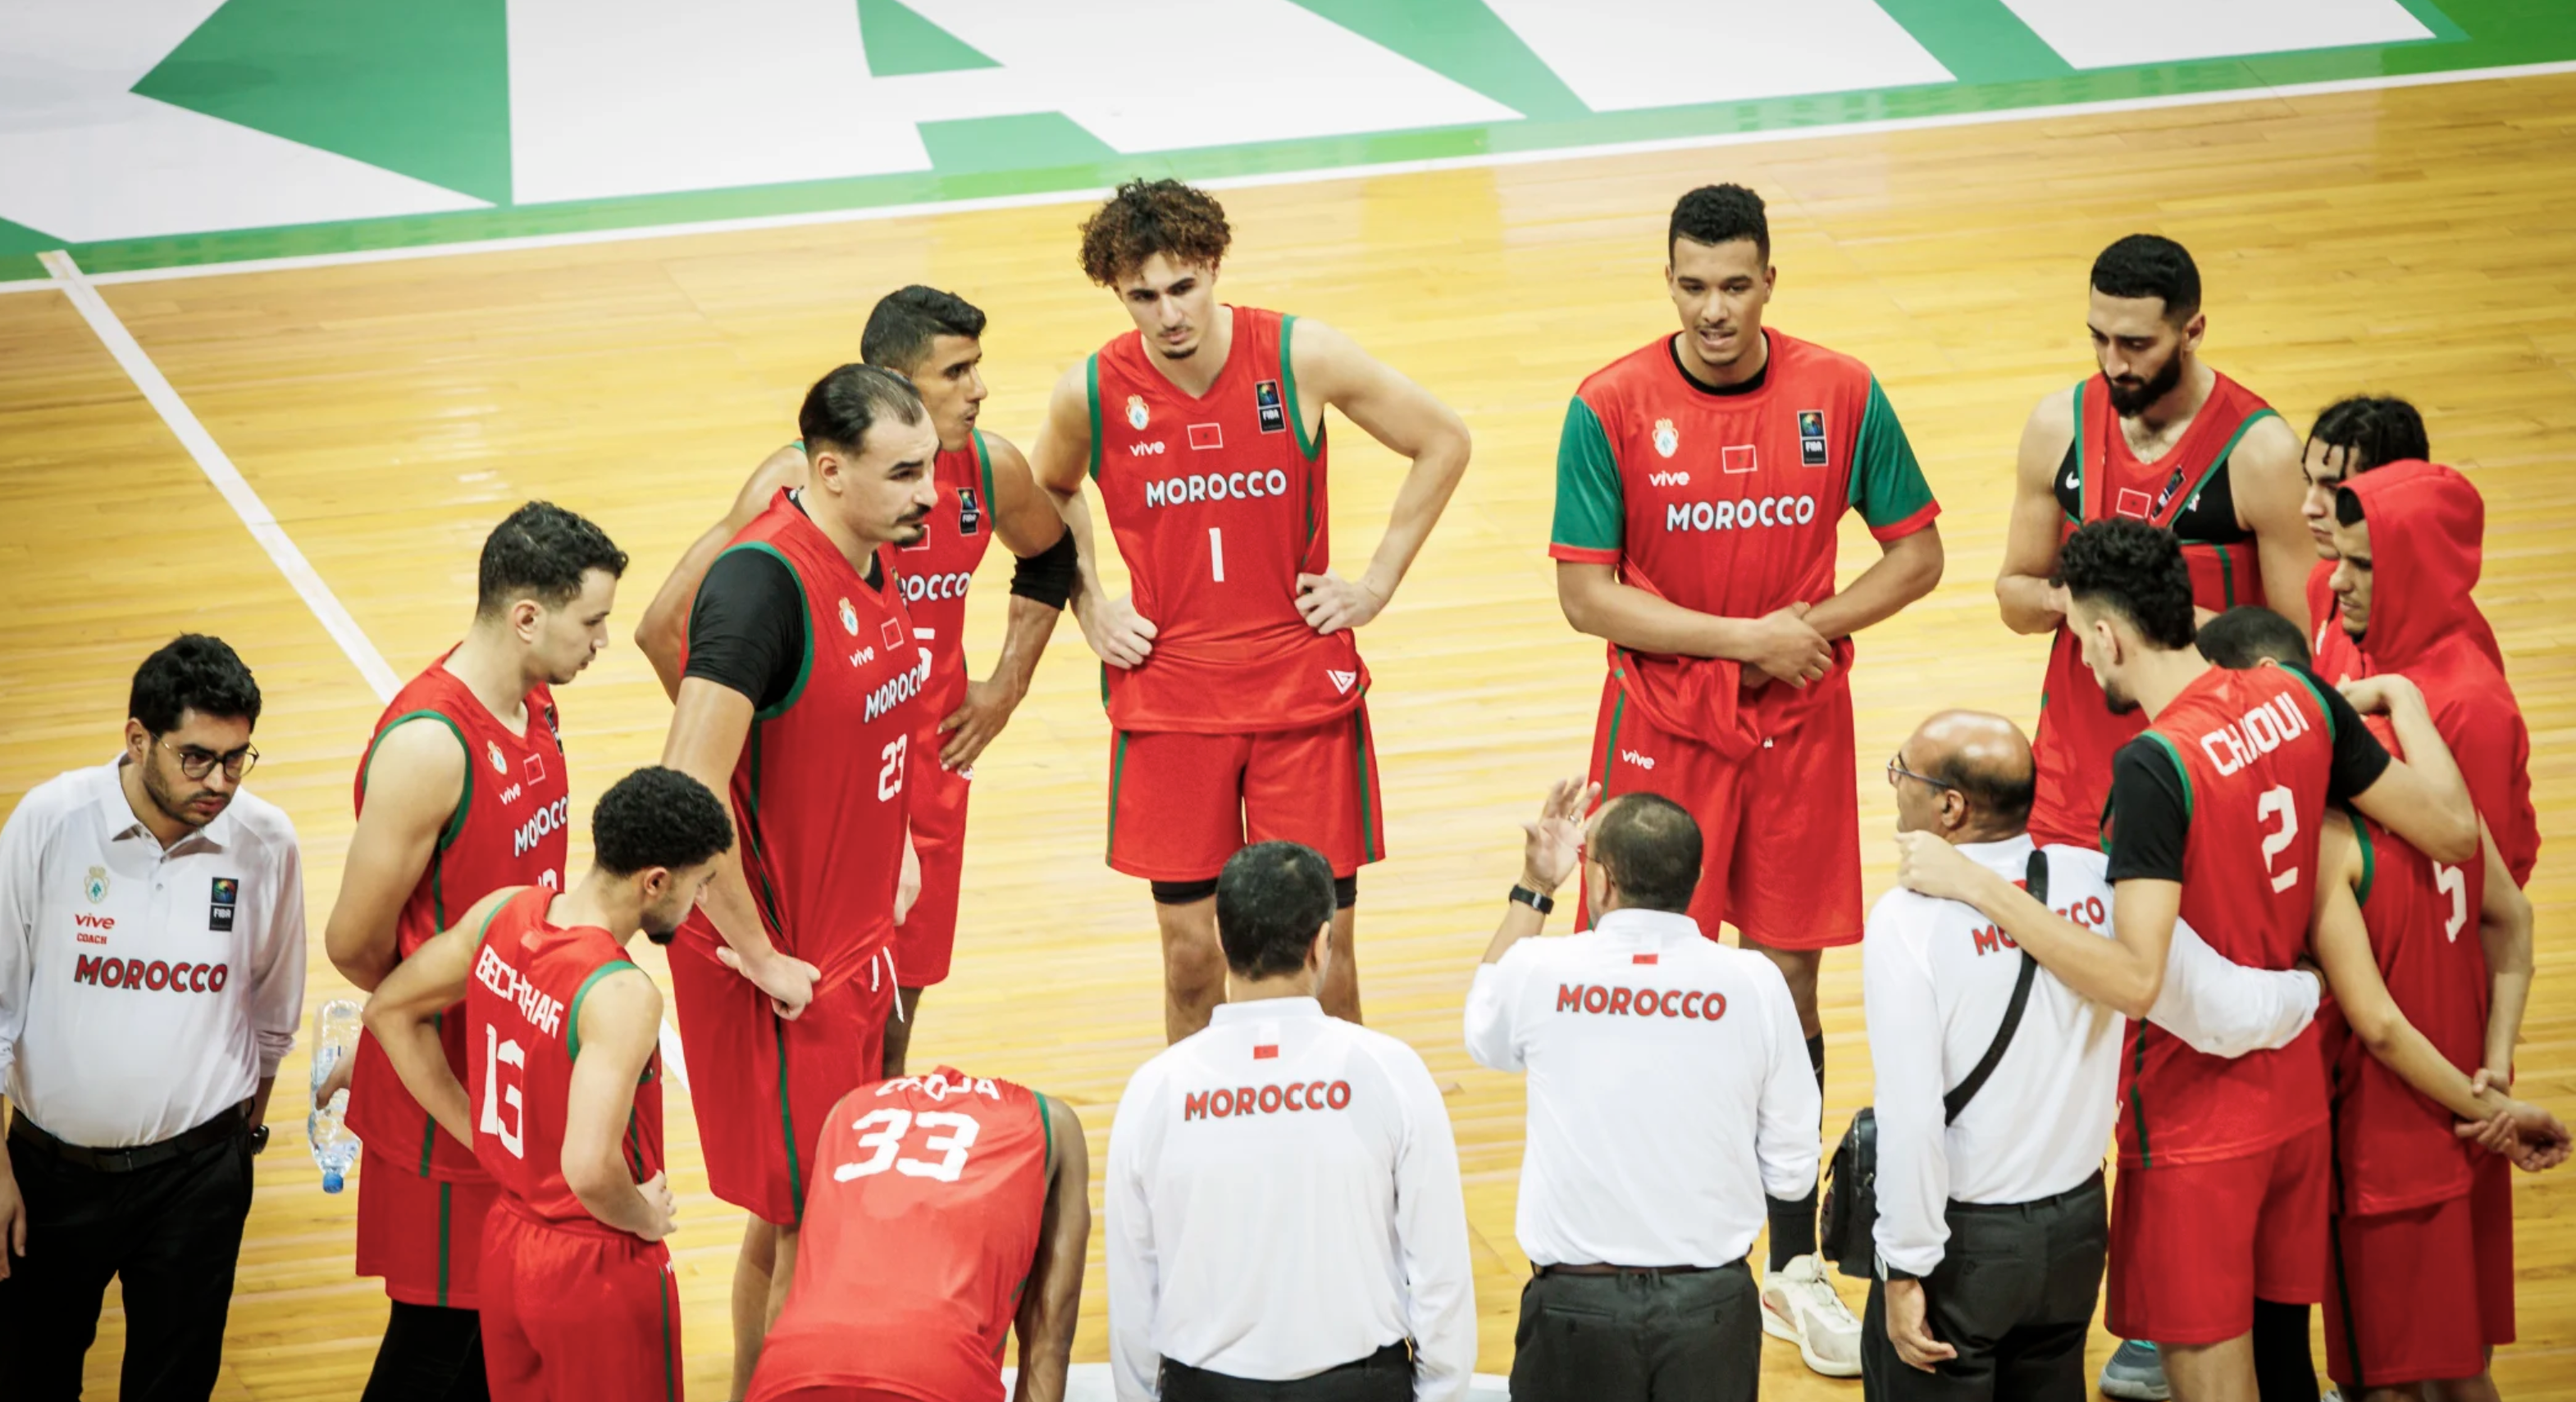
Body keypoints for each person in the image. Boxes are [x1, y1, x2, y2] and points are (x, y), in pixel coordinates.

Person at [1891, 520, 2480, 1402]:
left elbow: (2138, 977)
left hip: (2197, 1125)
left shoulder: (2155, 764)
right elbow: (2454, 831)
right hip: (2297, 1104)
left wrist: (1983, 890)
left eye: (2082, 642)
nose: (2087, 667)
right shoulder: (2301, 698)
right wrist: (2405, 703)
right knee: (2286, 1369)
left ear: (2104, 634)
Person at [1547, 180, 1943, 1376]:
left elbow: (1917, 552)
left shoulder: (1841, 389)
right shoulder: (1608, 403)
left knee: (1782, 982)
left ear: (1770, 279)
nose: (1713, 310)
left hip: (1800, 729)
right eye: (1691, 286)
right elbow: (1586, 595)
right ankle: (1614, 1220)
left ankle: (1788, 1260)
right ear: (1666, 280)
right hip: (1660, 726)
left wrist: (1805, 627)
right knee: (1622, 968)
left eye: (1734, 285)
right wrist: (1748, 638)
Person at [1031, 178, 1473, 1042]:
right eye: (1143, 297)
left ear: (1214, 267)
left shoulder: (1299, 356)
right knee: (1191, 961)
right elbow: (1047, 490)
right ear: (1118, 295)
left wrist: (1375, 583)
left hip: (1299, 685)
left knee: (1326, 953)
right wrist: (1090, 603)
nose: (1168, 316)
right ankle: (1206, 1147)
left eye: (1184, 286)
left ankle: (1343, 1139)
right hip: (1172, 698)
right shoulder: (1087, 392)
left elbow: (1444, 439)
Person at [634, 285, 1082, 1077]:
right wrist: (763, 743)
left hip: (925, 782)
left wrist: (1003, 690)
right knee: (814, 1036)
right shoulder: (793, 489)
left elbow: (1048, 557)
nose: (979, 390)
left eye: (977, 368)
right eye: (956, 373)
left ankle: (870, 1170)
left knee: (895, 1020)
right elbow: (664, 628)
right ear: (891, 384)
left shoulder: (990, 469)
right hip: (822, 801)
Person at [1864, 708, 2329, 1402]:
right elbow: (2218, 1010)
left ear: (1949, 807)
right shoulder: (2093, 880)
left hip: (1966, 1245)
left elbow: (1911, 1120)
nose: (1894, 784)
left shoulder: (1907, 921)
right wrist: (2314, 987)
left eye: (1902, 770)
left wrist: (1904, 1268)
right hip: (2076, 1234)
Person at [2195, 606, 2569, 1400]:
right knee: (2460, 1369)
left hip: (2384, 1151)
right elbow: (2515, 920)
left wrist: (2490, 1109)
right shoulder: (2438, 796)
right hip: (2466, 1125)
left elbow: (2382, 1026)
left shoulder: (2328, 838)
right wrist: (2492, 1080)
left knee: (2388, 1384)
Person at [659, 362, 941, 1395]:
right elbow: (687, 790)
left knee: (792, 1220)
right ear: (829, 469)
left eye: (933, 469)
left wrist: (897, 837)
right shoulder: (762, 582)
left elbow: (861, 716)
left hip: (851, 941)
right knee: (813, 1226)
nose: (929, 495)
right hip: (783, 965)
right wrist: (761, 952)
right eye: (904, 472)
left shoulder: (869, 550)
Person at [325, 500, 627, 1401]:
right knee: (441, 1339)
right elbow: (352, 942)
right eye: (594, 620)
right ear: (526, 615)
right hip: (448, 1091)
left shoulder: (536, 701)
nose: (604, 640)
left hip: (510, 1067)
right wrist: (430, 1012)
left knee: (500, 1339)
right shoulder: (430, 745)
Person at [360, 766, 734, 1402]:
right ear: (655, 882)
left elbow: (388, 1010)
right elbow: (589, 1169)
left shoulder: (501, 913)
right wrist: (643, 1217)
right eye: (700, 885)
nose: (700, 903)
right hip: (596, 1264)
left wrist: (480, 1131)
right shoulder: (621, 993)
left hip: (506, 1243)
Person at [0, 635, 304, 1401]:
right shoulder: (49, 823)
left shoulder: (266, 842)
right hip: (50, 1178)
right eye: (196, 757)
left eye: (238, 759)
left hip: (198, 1178)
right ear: (137, 739)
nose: (220, 781)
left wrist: (242, 1146)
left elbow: (273, 1012)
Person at [1464, 784, 1818, 1400]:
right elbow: (1791, 1175)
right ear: (1697, 878)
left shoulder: (1539, 971)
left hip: (1574, 1308)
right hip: (1710, 1308)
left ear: (1599, 883)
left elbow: (1482, 1035)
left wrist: (1536, 886)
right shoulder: (1756, 983)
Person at [2313, 471, 2546, 1386]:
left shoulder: (2463, 706)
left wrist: (2489, 1076)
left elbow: (2486, 903)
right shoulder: (2380, 667)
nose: (2338, 584)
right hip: (2404, 1073)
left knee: (2434, 1364)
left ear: (2417, 570)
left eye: (2365, 567)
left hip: (2427, 1083)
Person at [1107, 841, 1474, 1401]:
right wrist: (1440, 1390)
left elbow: (1134, 1294)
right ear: (1321, 943)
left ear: (1222, 938)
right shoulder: (1392, 1070)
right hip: (1361, 1386)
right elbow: (1440, 1274)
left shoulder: (1153, 1088)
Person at [1996, 234, 2312, 849]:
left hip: (2210, 775)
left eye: (2136, 344)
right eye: (2098, 338)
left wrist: (2148, 621)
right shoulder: (2056, 424)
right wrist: (2079, 602)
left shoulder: (2262, 454)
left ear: (2191, 331)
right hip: (2072, 778)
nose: (2112, 363)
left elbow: (2298, 656)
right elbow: (2013, 598)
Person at [744, 1066, 1089, 1402]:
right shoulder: (1053, 1121)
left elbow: (787, 1285)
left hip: (791, 1367)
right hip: (938, 1374)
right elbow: (1049, 1341)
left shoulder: (846, 1107)